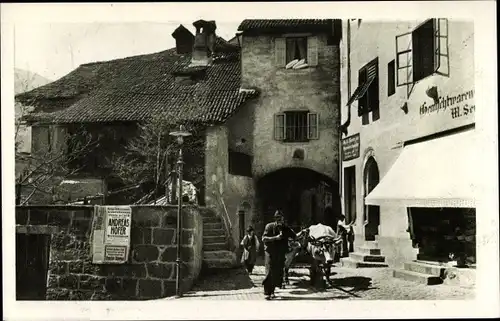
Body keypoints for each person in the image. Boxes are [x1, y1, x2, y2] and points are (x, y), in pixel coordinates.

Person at [261, 210, 296, 300]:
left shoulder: (286, 229)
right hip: (270, 252)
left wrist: (304, 233)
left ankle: (272, 291)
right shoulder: (269, 226)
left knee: (277, 272)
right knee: (269, 271)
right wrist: (275, 238)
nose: (279, 220)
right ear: (275, 219)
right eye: (278, 218)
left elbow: (295, 236)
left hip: (280, 253)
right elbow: (264, 239)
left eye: (281, 218)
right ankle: (267, 292)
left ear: (283, 219)